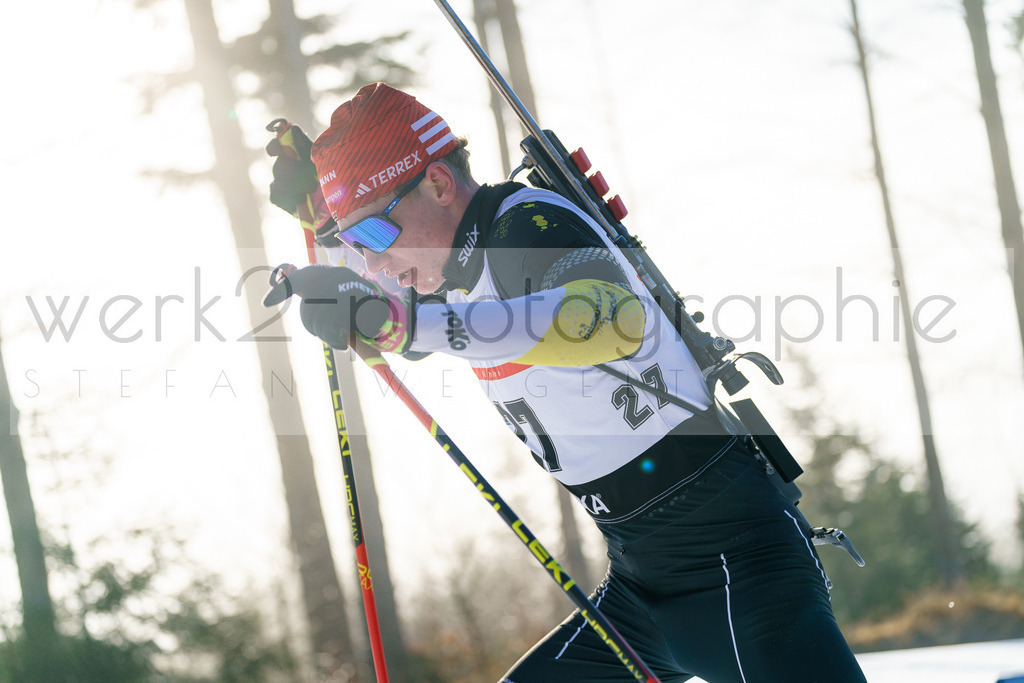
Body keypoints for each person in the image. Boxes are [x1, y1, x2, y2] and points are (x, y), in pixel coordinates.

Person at [264, 82, 867, 683]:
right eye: (352, 243)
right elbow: (418, 314)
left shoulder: (527, 226)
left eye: (372, 236)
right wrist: (326, 234)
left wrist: (403, 322)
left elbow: (612, 321)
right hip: (639, 592)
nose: (371, 262)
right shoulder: (452, 269)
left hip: (739, 565)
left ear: (440, 185)